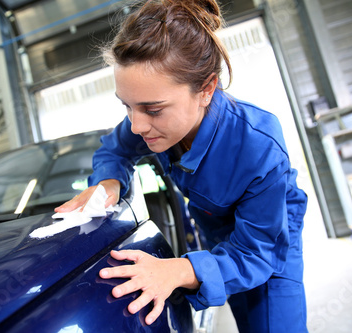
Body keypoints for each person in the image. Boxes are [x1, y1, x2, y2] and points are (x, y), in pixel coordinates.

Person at [55, 0, 308, 331]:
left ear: (206, 90)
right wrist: (108, 184)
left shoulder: (258, 146)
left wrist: (177, 271)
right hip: (216, 231)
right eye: (127, 107)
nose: (136, 126)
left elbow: (256, 253)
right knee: (245, 316)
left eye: (153, 109)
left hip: (269, 237)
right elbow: (115, 151)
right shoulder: (148, 122)